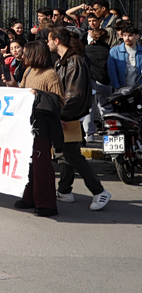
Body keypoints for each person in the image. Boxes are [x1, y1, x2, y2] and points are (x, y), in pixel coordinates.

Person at [49, 28, 111, 211]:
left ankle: (99, 191)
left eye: (49, 39)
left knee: (72, 155)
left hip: (69, 118)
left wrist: (61, 116)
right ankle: (65, 190)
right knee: (66, 154)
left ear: (57, 41)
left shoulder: (73, 62)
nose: (47, 43)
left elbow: (73, 95)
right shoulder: (64, 61)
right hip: (67, 116)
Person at [16, 41, 64, 217]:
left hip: (43, 126)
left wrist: (38, 94)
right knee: (27, 164)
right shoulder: (28, 71)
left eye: (26, 53)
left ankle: (46, 203)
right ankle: (29, 197)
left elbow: (58, 101)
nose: (23, 57)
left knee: (41, 164)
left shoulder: (50, 75)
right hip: (27, 124)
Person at [107, 23, 141, 89]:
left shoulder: (140, 51)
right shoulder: (114, 51)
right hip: (121, 89)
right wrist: (117, 88)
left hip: (137, 89)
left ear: (137, 36)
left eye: (130, 35)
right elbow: (112, 72)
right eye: (125, 35)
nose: (127, 38)